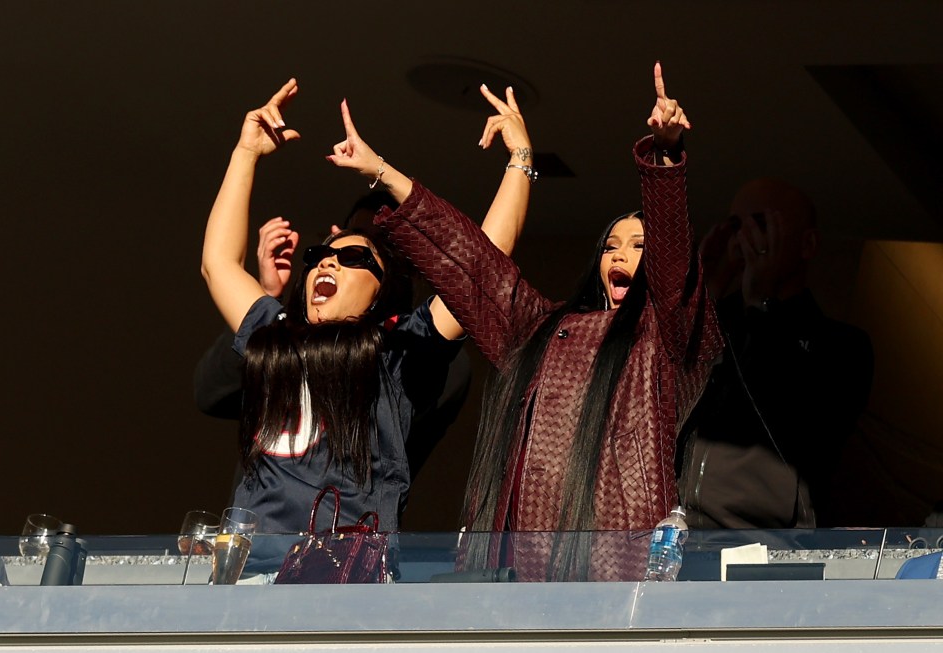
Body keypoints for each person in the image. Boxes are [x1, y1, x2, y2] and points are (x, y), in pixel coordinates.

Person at [326, 63, 722, 581]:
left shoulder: (665, 339)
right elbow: (474, 265)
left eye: (639, 246)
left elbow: (674, 274)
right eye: (610, 246)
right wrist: (384, 173)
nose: (621, 255)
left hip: (616, 576)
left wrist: (665, 156)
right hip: (516, 577)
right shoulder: (541, 328)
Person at [200, 78, 532, 578]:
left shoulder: (397, 353)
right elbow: (218, 264)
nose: (325, 265)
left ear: (383, 291)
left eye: (352, 257)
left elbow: (480, 267)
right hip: (246, 580)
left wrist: (520, 159)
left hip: (346, 583)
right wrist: (246, 152)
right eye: (319, 256)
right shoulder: (276, 329)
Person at [192, 191, 473, 483]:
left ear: (411, 258)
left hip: (345, 520)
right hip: (258, 521)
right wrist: (265, 296)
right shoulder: (291, 330)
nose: (334, 259)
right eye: (351, 237)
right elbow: (212, 393)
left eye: (382, 241)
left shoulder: (422, 350)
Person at [677, 178, 874, 529]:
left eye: (762, 224)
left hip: (764, 543)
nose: (747, 238)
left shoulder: (841, 345)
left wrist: (764, 306)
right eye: (737, 226)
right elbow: (669, 390)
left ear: (807, 243)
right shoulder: (721, 321)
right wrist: (703, 295)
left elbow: (796, 421)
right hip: (679, 531)